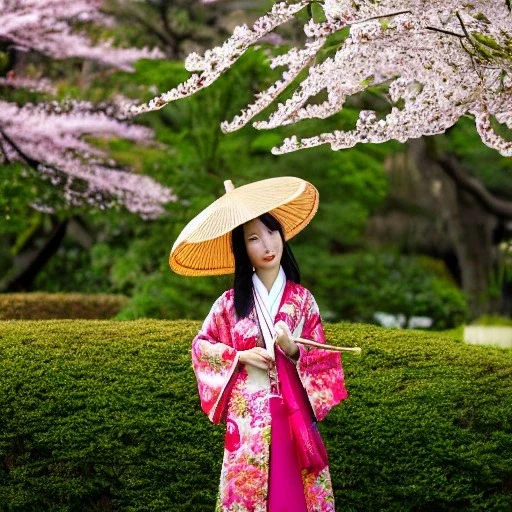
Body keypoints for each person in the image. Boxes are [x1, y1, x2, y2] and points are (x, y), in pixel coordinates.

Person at [170, 177, 348, 512]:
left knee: (297, 497)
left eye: (271, 232)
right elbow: (201, 347)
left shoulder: (302, 300)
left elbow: (323, 357)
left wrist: (293, 348)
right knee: (250, 494)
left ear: (282, 236)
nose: (267, 244)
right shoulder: (228, 304)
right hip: (249, 417)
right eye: (253, 238)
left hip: (294, 411)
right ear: (243, 250)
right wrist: (238, 356)